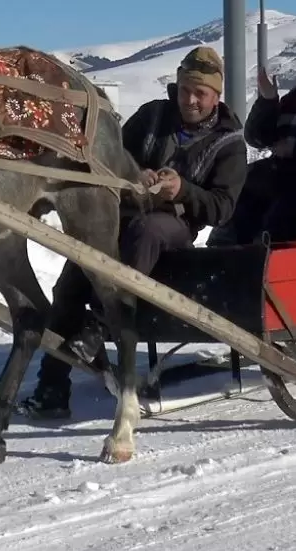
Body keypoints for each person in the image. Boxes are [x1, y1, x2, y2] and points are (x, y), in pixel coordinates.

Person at [19, 45, 249, 419]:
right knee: (71, 282)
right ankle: (52, 387)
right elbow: (111, 155)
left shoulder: (229, 143)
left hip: (173, 229)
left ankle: (102, 321)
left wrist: (183, 191)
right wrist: (133, 173)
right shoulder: (152, 115)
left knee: (147, 230)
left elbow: (223, 207)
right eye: (186, 89)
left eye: (200, 94)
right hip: (122, 211)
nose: (190, 100)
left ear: (216, 96)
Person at [207, 33, 296, 246]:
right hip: (281, 171)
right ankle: (222, 248)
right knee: (244, 186)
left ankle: (261, 252)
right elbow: (257, 137)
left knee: (283, 209)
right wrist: (268, 102)